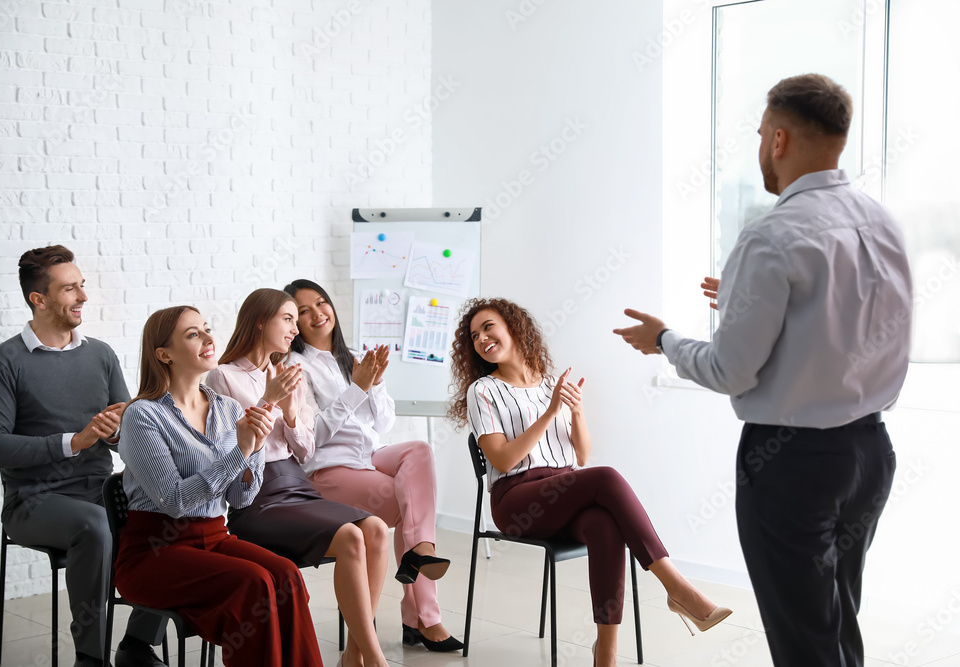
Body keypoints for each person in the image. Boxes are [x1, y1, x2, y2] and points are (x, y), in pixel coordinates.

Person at [614, 74, 912, 667]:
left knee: (803, 641)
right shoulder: (883, 223)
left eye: (758, 136)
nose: (759, 150)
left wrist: (665, 340)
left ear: (778, 139)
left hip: (791, 464)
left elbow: (729, 370)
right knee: (834, 620)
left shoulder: (772, 235)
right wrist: (750, 300)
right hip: (870, 454)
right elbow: (851, 320)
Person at [449, 298, 731, 667]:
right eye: (474, 336)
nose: (482, 338)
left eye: (489, 327)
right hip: (516, 500)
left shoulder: (551, 383)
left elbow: (580, 456)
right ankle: (675, 586)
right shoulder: (483, 391)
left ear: (513, 328)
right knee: (607, 477)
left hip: (562, 490)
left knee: (605, 525)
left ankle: (606, 653)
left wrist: (576, 411)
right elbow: (501, 459)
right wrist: (550, 412)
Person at [0, 245, 167, 667]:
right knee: (95, 524)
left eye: (82, 286)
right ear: (37, 299)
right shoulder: (2, 363)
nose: (82, 297)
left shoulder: (100, 354)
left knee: (170, 513)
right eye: (69, 289)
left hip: (99, 491)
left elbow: (124, 435)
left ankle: (136, 644)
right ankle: (90, 658)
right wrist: (72, 442)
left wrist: (119, 429)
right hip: (33, 501)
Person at [115, 305, 324, 667]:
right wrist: (241, 448)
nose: (210, 338)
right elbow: (176, 501)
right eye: (193, 334)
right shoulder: (143, 416)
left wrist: (254, 449)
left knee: (286, 576)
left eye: (207, 328)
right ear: (163, 354)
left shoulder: (227, 408)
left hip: (215, 538)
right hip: (154, 552)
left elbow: (240, 498)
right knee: (253, 582)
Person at [204, 288, 390, 667]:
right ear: (260, 321)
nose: (295, 328)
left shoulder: (290, 375)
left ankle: (355, 654)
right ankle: (374, 658)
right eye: (287, 319)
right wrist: (270, 401)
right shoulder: (221, 377)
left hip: (297, 484)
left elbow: (305, 450)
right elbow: (227, 450)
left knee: (377, 529)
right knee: (353, 535)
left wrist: (289, 412)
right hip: (256, 496)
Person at [283, 279, 462, 653]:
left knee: (419, 450)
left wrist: (375, 384)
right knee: (409, 508)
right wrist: (358, 388)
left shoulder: (351, 355)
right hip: (330, 469)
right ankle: (422, 617)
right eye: (303, 311)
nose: (317, 314)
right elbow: (311, 438)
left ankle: (421, 561)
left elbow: (382, 426)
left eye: (321, 303)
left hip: (369, 456)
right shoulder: (295, 367)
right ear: (293, 323)